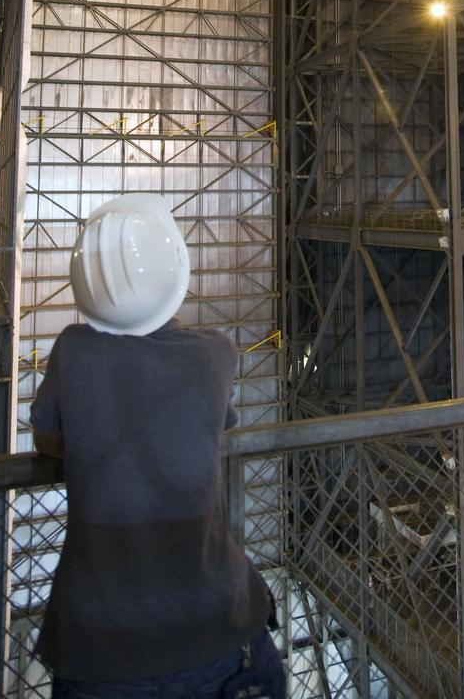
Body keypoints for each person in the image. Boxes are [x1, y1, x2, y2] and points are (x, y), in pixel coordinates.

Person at [30, 193, 286, 699]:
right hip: (221, 627)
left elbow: (49, 440)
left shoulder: (72, 352)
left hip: (99, 648)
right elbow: (215, 426)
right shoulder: (215, 353)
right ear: (177, 272)